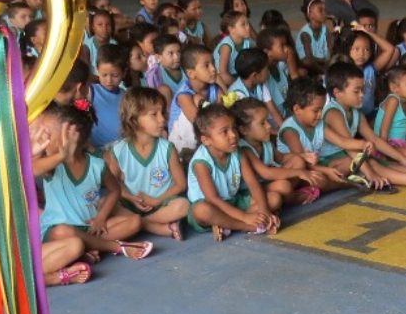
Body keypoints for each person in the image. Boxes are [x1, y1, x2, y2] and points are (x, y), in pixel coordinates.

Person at [35, 103, 152, 260]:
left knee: (135, 222)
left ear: (72, 135)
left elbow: (115, 190)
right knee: (64, 232)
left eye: (48, 134)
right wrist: (60, 156)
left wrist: (101, 218)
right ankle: (116, 247)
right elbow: (33, 169)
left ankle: (87, 247)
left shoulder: (97, 165)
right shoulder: (52, 164)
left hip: (88, 227)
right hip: (58, 231)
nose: (43, 139)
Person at [320, 61, 406, 193]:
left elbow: (375, 140)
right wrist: (370, 174)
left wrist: (402, 159)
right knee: (371, 162)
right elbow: (348, 147)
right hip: (332, 161)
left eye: (363, 90)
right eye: (356, 91)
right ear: (337, 92)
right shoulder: (334, 113)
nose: (362, 95)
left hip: (350, 157)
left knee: (378, 161)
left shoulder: (357, 114)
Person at [105, 89, 189, 240]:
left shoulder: (167, 148)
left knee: (183, 205)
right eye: (154, 114)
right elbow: (114, 184)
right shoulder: (118, 150)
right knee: (105, 204)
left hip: (162, 203)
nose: (162, 119)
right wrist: (131, 198)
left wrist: (157, 200)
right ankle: (156, 226)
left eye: (163, 113)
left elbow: (181, 185)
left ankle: (141, 224)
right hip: (132, 205)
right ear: (134, 119)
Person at [186, 104, 279, 241]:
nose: (233, 135)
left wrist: (265, 211)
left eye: (234, 128)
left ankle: (225, 224)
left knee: (274, 198)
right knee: (201, 211)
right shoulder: (201, 163)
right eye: (224, 131)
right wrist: (245, 217)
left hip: (234, 201)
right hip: (212, 206)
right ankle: (245, 226)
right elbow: (213, 199)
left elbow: (253, 184)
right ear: (206, 140)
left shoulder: (238, 152)